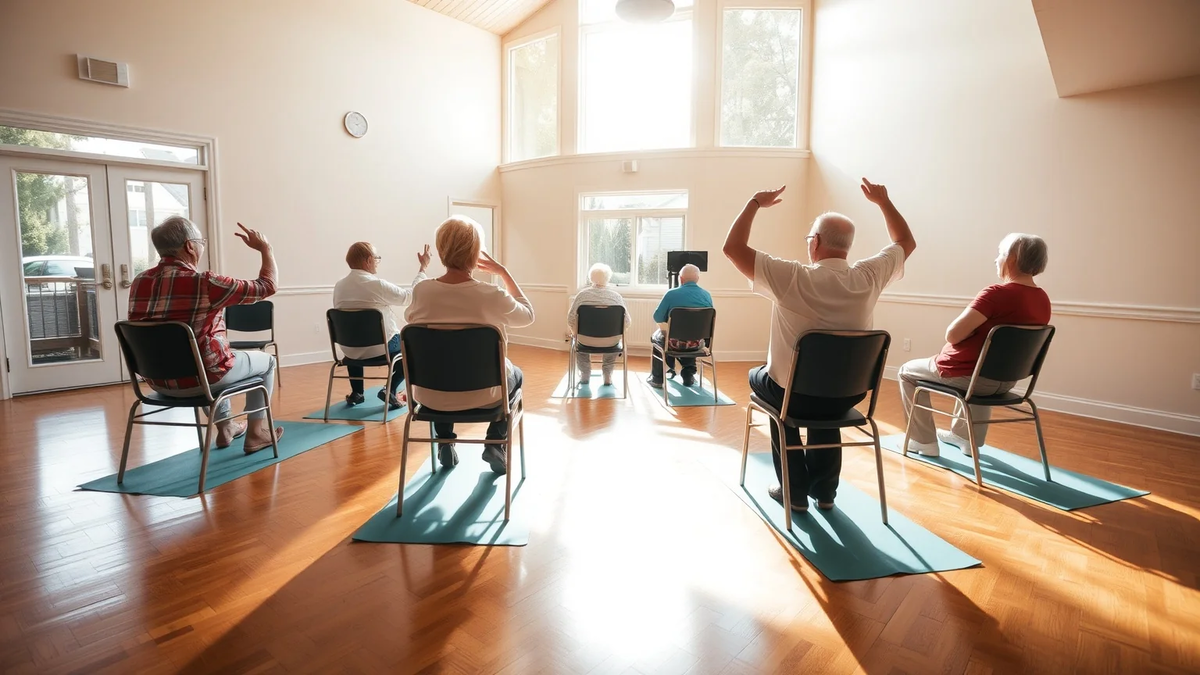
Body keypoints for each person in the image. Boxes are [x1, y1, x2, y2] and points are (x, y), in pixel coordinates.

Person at [722, 179, 916, 512]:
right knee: (825, 396)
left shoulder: (793, 277)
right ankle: (825, 492)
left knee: (770, 387)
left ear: (816, 242)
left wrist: (754, 202)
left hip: (797, 396)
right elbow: (905, 242)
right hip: (849, 394)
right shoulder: (869, 276)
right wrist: (884, 202)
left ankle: (794, 492)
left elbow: (733, 248)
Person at [127, 216, 283, 454]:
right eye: (201, 242)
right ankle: (256, 433)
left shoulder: (139, 282)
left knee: (210, 357)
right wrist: (266, 248)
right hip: (201, 380)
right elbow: (267, 286)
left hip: (157, 382)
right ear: (190, 246)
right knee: (266, 362)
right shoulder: (206, 283)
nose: (202, 247)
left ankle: (226, 427)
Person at [899, 234, 1051, 457]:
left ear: (1013, 259)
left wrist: (970, 332)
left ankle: (922, 441)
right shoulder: (1043, 300)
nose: (996, 259)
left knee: (906, 371)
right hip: (1006, 380)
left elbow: (952, 335)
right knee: (984, 367)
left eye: (1000, 253)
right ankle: (965, 437)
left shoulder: (996, 294)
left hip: (968, 377)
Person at [404, 216, 534, 474]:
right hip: (485, 396)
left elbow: (410, 319)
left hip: (430, 396)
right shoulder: (492, 294)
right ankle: (495, 441)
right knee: (516, 374)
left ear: (441, 250)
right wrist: (503, 272)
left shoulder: (422, 292)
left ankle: (444, 441)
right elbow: (528, 315)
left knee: (443, 364)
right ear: (476, 253)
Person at [332, 241, 431, 410]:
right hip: (380, 348)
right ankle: (389, 389)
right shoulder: (376, 285)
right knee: (411, 346)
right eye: (377, 258)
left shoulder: (339, 286)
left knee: (355, 335)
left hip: (349, 350)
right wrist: (423, 269)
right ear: (368, 260)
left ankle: (357, 392)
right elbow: (409, 297)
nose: (378, 261)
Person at [646, 263, 713, 388]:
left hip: (674, 343)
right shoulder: (706, 295)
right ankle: (688, 374)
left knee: (657, 337)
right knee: (691, 336)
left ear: (681, 279)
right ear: (697, 279)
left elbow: (657, 317)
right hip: (697, 344)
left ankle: (657, 378)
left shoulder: (671, 294)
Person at [567, 262, 631, 387]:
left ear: (591, 278)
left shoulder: (582, 296)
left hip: (585, 340)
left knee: (578, 343)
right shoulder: (616, 297)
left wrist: (574, 333)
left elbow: (570, 319)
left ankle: (585, 374)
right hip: (611, 341)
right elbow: (627, 322)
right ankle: (607, 375)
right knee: (613, 342)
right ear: (608, 278)